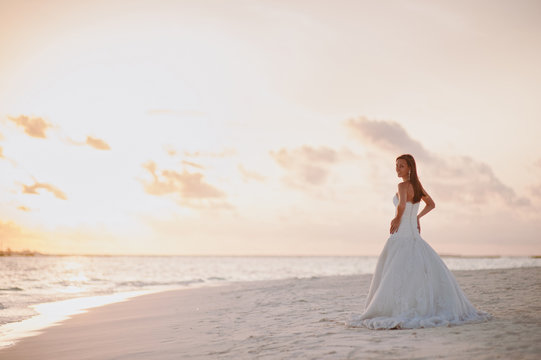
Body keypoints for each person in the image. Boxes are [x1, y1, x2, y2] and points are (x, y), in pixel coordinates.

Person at [348, 154, 491, 329]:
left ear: (410, 168)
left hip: (403, 232)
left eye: (401, 166)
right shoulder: (417, 187)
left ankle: (396, 307)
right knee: (415, 267)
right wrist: (417, 217)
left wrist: (397, 219)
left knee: (396, 269)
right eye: (396, 165)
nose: (397, 169)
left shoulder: (402, 186)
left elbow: (401, 205)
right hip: (413, 232)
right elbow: (431, 204)